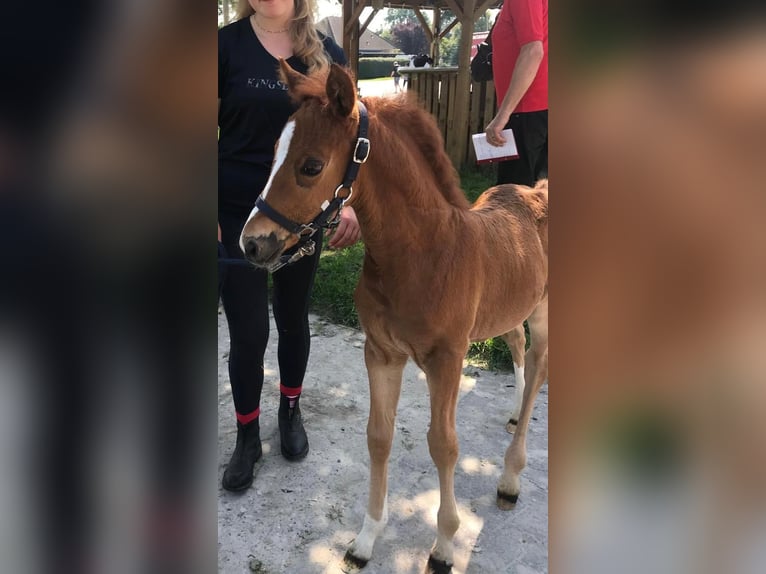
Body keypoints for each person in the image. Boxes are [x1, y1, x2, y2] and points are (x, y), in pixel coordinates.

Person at [218, 0, 361, 492]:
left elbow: (351, 140)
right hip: (238, 210)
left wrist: (348, 204)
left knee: (293, 317)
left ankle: (291, 411)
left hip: (301, 213)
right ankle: (246, 435)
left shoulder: (326, 54)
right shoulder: (223, 47)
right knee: (249, 331)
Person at [484, 1, 548, 187]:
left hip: (527, 109)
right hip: (537, 108)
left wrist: (502, 116)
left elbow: (533, 51)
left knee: (514, 198)